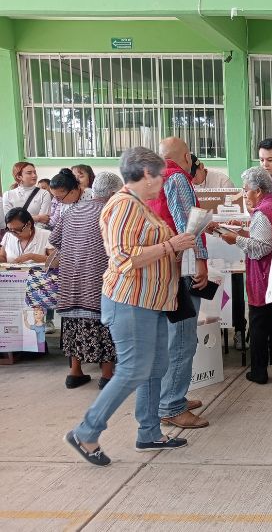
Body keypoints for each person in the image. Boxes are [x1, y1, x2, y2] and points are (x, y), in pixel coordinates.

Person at [64, 146, 196, 466]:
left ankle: (149, 432)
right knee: (134, 369)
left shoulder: (140, 205)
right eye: (161, 175)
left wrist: (176, 247)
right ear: (146, 174)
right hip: (130, 301)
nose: (163, 181)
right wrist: (171, 245)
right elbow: (124, 258)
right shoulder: (124, 205)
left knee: (155, 367)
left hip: (150, 301)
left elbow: (147, 249)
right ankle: (86, 430)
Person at [148, 137, 210, 429]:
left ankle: (170, 397)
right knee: (183, 340)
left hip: (160, 268)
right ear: (187, 156)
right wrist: (201, 261)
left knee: (168, 338)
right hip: (182, 268)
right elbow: (190, 223)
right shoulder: (178, 178)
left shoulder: (151, 178)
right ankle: (172, 406)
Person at [211, 166, 272, 383]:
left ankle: (259, 372)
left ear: (258, 190)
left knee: (257, 325)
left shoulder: (262, 212)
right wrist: (243, 232)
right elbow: (266, 238)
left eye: (246, 190)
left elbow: (262, 246)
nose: (244, 195)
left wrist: (234, 239)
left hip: (263, 277)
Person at [50, 172, 123, 390]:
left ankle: (75, 373)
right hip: (97, 279)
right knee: (104, 324)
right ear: (112, 193)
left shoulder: (72, 210)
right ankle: (107, 376)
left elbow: (54, 239)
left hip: (71, 279)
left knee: (74, 324)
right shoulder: (111, 212)